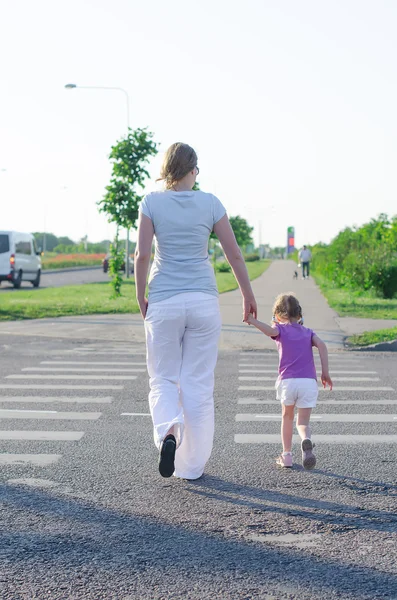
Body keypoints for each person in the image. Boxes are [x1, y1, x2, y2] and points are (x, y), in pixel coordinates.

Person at [134, 142, 257, 480]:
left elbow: (142, 255)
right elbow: (233, 254)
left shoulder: (151, 202)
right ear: (193, 170)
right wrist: (247, 294)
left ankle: (169, 433)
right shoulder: (210, 203)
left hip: (163, 301)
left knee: (163, 378)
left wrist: (140, 295)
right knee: (197, 386)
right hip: (203, 302)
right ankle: (191, 469)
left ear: (166, 169)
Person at [245, 293, 332, 470]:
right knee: (303, 423)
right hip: (308, 382)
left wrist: (252, 320)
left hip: (288, 382)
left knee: (287, 417)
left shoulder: (280, 330)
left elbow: (269, 331)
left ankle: (286, 456)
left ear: (277, 314)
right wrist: (325, 373)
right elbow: (322, 345)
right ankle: (306, 440)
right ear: (299, 314)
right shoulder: (308, 332)